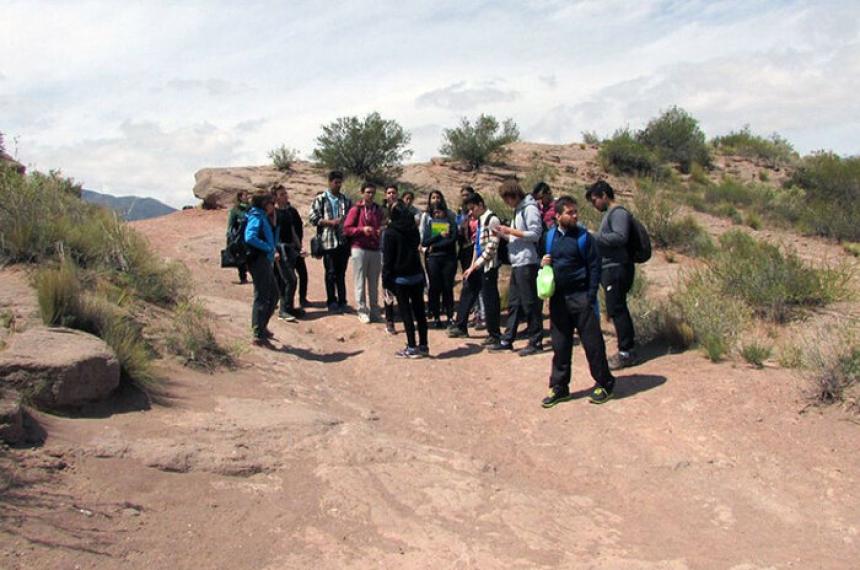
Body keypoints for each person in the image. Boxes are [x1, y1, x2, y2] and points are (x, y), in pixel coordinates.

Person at [541, 195, 615, 407]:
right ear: (557, 216)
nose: (575, 216)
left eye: (575, 212)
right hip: (558, 300)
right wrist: (544, 262)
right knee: (560, 345)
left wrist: (590, 297)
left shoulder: (584, 238)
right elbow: (544, 261)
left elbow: (595, 268)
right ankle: (560, 387)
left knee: (593, 344)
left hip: (581, 298)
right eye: (570, 212)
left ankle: (605, 383)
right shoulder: (549, 237)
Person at [585, 180, 639, 370]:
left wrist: (593, 236)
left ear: (604, 196)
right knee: (618, 308)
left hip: (617, 268)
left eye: (594, 200)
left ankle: (626, 352)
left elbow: (620, 237)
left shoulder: (618, 213)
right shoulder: (611, 214)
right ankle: (628, 347)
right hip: (612, 268)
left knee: (617, 309)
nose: (594, 204)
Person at [489, 179, 544, 356]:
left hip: (527, 262)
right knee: (514, 303)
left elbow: (535, 234)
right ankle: (508, 339)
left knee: (529, 303)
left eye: (507, 198)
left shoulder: (530, 209)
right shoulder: (518, 211)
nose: (507, 202)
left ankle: (535, 340)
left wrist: (510, 231)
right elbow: (517, 238)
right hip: (517, 261)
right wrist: (503, 234)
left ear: (513, 195)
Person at [447, 192, 502, 344]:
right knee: (468, 289)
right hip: (477, 265)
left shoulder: (492, 220)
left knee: (489, 299)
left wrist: (477, 265)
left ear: (480, 205)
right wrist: (472, 266)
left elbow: (491, 247)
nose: (470, 212)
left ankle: (494, 334)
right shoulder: (480, 221)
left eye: (472, 208)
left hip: (488, 266)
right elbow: (477, 245)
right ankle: (460, 325)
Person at [383, 201, 429, 358]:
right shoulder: (413, 230)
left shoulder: (390, 232)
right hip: (416, 275)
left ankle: (411, 347)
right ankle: (423, 345)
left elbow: (388, 260)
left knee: (406, 313)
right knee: (420, 312)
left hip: (401, 278)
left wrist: (386, 282)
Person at [308, 171, 353, 313]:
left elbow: (351, 217)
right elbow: (312, 217)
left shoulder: (345, 200)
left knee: (341, 273)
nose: (338, 185)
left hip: (343, 241)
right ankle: (331, 301)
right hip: (328, 242)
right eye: (336, 182)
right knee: (330, 273)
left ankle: (342, 301)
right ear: (330, 182)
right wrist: (329, 222)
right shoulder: (321, 199)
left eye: (340, 182)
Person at [343, 181, 384, 324]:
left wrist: (380, 230)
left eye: (373, 192)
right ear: (362, 193)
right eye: (368, 192)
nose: (371, 195)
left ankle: (374, 311)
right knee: (359, 280)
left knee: (374, 282)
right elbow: (347, 228)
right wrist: (361, 230)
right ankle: (362, 311)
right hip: (359, 247)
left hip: (375, 248)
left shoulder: (378, 210)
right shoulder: (356, 209)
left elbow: (381, 225)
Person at [244, 192, 279, 346]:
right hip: (259, 260)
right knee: (263, 295)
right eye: (271, 202)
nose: (274, 205)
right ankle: (258, 332)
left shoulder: (262, 216)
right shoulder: (256, 216)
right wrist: (267, 248)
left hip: (264, 259)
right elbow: (249, 237)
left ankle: (261, 326)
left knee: (274, 294)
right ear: (265, 204)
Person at [420, 191, 457, 329]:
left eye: (440, 212)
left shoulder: (451, 223)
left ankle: (449, 316)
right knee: (434, 288)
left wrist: (435, 245)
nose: (437, 214)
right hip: (433, 259)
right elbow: (425, 242)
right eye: (435, 213)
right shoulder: (430, 224)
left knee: (448, 287)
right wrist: (438, 237)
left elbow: (452, 240)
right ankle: (435, 315)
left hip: (449, 258)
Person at [272, 184, 303, 322]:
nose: (285, 196)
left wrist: (299, 247)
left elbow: (292, 230)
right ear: (275, 197)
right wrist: (274, 250)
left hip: (290, 248)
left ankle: (289, 307)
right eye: (282, 194)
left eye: (285, 193)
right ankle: (283, 310)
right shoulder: (273, 213)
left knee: (289, 279)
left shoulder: (288, 212)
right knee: (289, 279)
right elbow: (270, 234)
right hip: (279, 249)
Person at [380, 184, 400, 334]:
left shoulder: (401, 209)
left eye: (394, 192)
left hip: (400, 254)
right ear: (385, 195)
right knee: (387, 287)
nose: (391, 195)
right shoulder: (381, 211)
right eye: (389, 192)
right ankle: (390, 319)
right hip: (384, 252)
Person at [226, 190, 250, 284]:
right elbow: (231, 224)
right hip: (240, 237)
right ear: (240, 197)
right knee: (241, 257)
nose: (247, 197)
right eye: (245, 196)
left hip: (250, 236)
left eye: (247, 195)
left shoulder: (250, 208)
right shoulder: (235, 210)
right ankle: (243, 277)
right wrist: (229, 236)